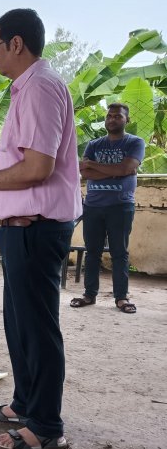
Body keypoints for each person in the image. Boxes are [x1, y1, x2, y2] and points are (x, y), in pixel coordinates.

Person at [0, 9, 82, 449]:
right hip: (21, 229)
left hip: (37, 228)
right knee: (20, 324)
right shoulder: (27, 89)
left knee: (37, 326)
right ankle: (25, 402)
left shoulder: (40, 88)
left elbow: (38, 166)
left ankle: (46, 426)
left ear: (16, 44)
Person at [70, 103, 144, 314]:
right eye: (109, 116)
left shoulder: (135, 142)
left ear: (126, 120)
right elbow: (85, 173)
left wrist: (96, 165)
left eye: (118, 116)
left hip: (120, 206)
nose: (112, 119)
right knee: (92, 252)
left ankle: (121, 298)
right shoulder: (93, 144)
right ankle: (89, 294)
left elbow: (127, 168)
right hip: (93, 206)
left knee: (119, 253)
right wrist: (116, 172)